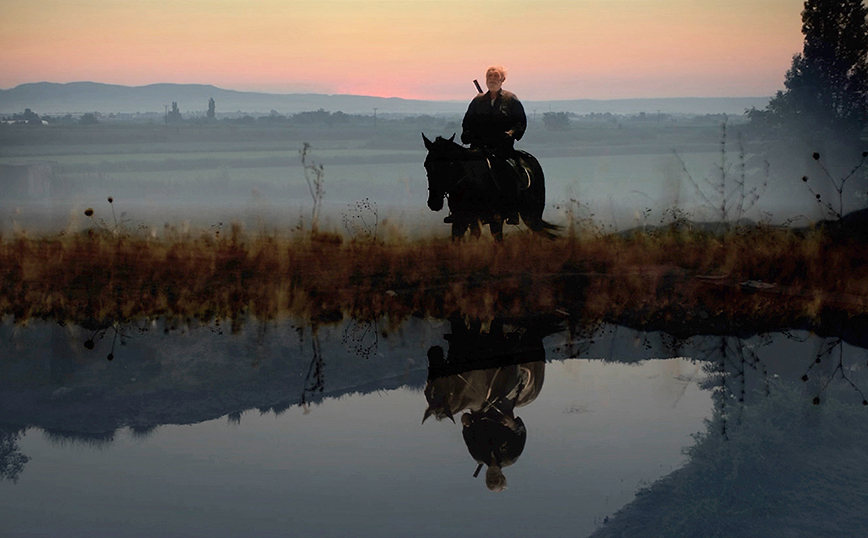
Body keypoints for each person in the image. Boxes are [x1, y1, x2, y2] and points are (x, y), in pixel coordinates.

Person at [460, 65, 528, 224]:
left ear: (502, 80)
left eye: (495, 77)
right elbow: (467, 121)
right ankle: (459, 210)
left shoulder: (511, 99)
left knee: (508, 172)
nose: (492, 80)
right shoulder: (477, 101)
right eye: (489, 77)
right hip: (479, 147)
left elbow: (520, 122)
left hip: (501, 148)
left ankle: (511, 210)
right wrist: (467, 133)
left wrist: (511, 133)